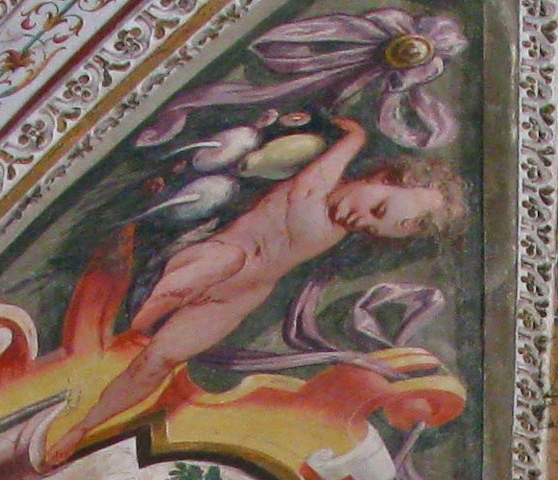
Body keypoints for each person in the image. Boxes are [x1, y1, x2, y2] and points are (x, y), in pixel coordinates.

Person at [124, 118, 464, 373]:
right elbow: (335, 157)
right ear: (381, 178)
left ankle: (86, 423)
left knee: (163, 359)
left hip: (247, 290)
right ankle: (131, 332)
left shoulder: (343, 231)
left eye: (378, 227)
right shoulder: (315, 188)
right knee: (214, 267)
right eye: (378, 209)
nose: (365, 222)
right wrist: (355, 137)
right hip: (230, 255)